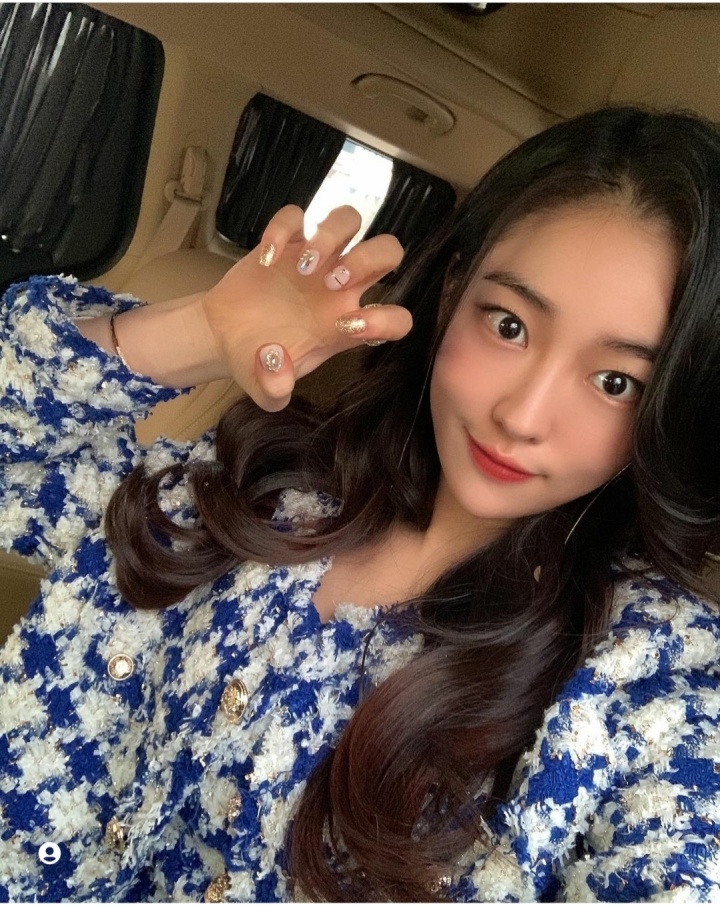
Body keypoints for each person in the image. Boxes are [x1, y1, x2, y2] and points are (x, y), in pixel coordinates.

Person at [0, 104, 719, 903]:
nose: (523, 416)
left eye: (616, 382)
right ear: (453, 291)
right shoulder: (263, 487)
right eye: (510, 325)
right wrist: (201, 331)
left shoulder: (648, 680)